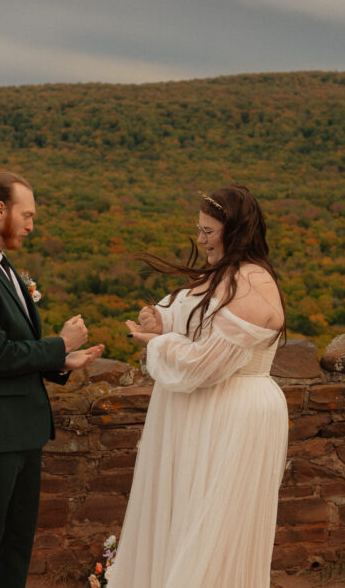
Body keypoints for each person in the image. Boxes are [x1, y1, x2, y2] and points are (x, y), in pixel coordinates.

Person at [108, 185, 290, 587]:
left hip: (232, 414)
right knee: (185, 516)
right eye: (200, 229)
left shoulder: (253, 287)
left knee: (213, 526)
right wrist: (162, 320)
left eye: (208, 231)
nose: (201, 239)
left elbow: (203, 365)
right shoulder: (225, 274)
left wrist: (156, 343)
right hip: (202, 411)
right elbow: (195, 317)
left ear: (236, 231)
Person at [0, 171, 103, 588]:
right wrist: (59, 344)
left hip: (21, 430)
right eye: (27, 216)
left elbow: (12, 347)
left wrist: (62, 363)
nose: (31, 225)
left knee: (14, 549)